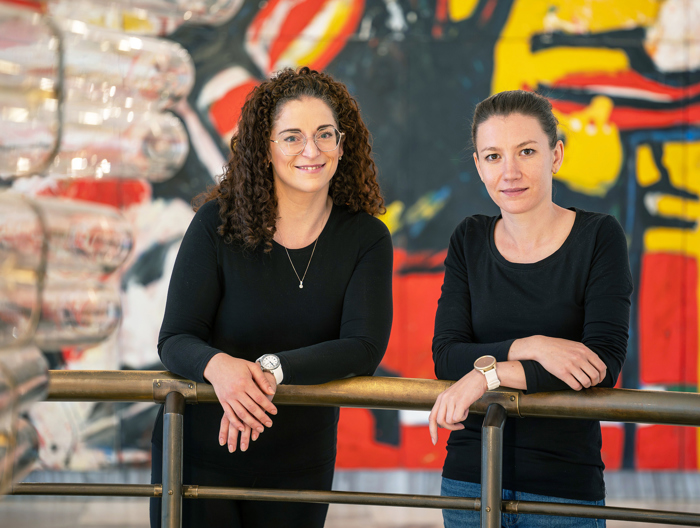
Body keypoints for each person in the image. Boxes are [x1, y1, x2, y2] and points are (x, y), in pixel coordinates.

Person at [150, 66, 393, 528]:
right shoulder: (216, 223)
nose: (311, 150)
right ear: (266, 148)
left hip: (299, 465)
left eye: (325, 135)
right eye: (292, 137)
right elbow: (175, 338)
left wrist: (269, 370)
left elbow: (363, 347)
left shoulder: (366, 238)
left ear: (343, 145)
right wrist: (219, 367)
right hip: (198, 454)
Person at [429, 90, 633, 527]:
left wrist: (488, 375)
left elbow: (600, 365)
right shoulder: (469, 239)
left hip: (562, 491)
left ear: (555, 155)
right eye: (493, 156)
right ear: (479, 166)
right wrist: (534, 346)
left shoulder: (599, 237)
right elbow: (447, 356)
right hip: (469, 483)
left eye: (526, 151)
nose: (510, 172)